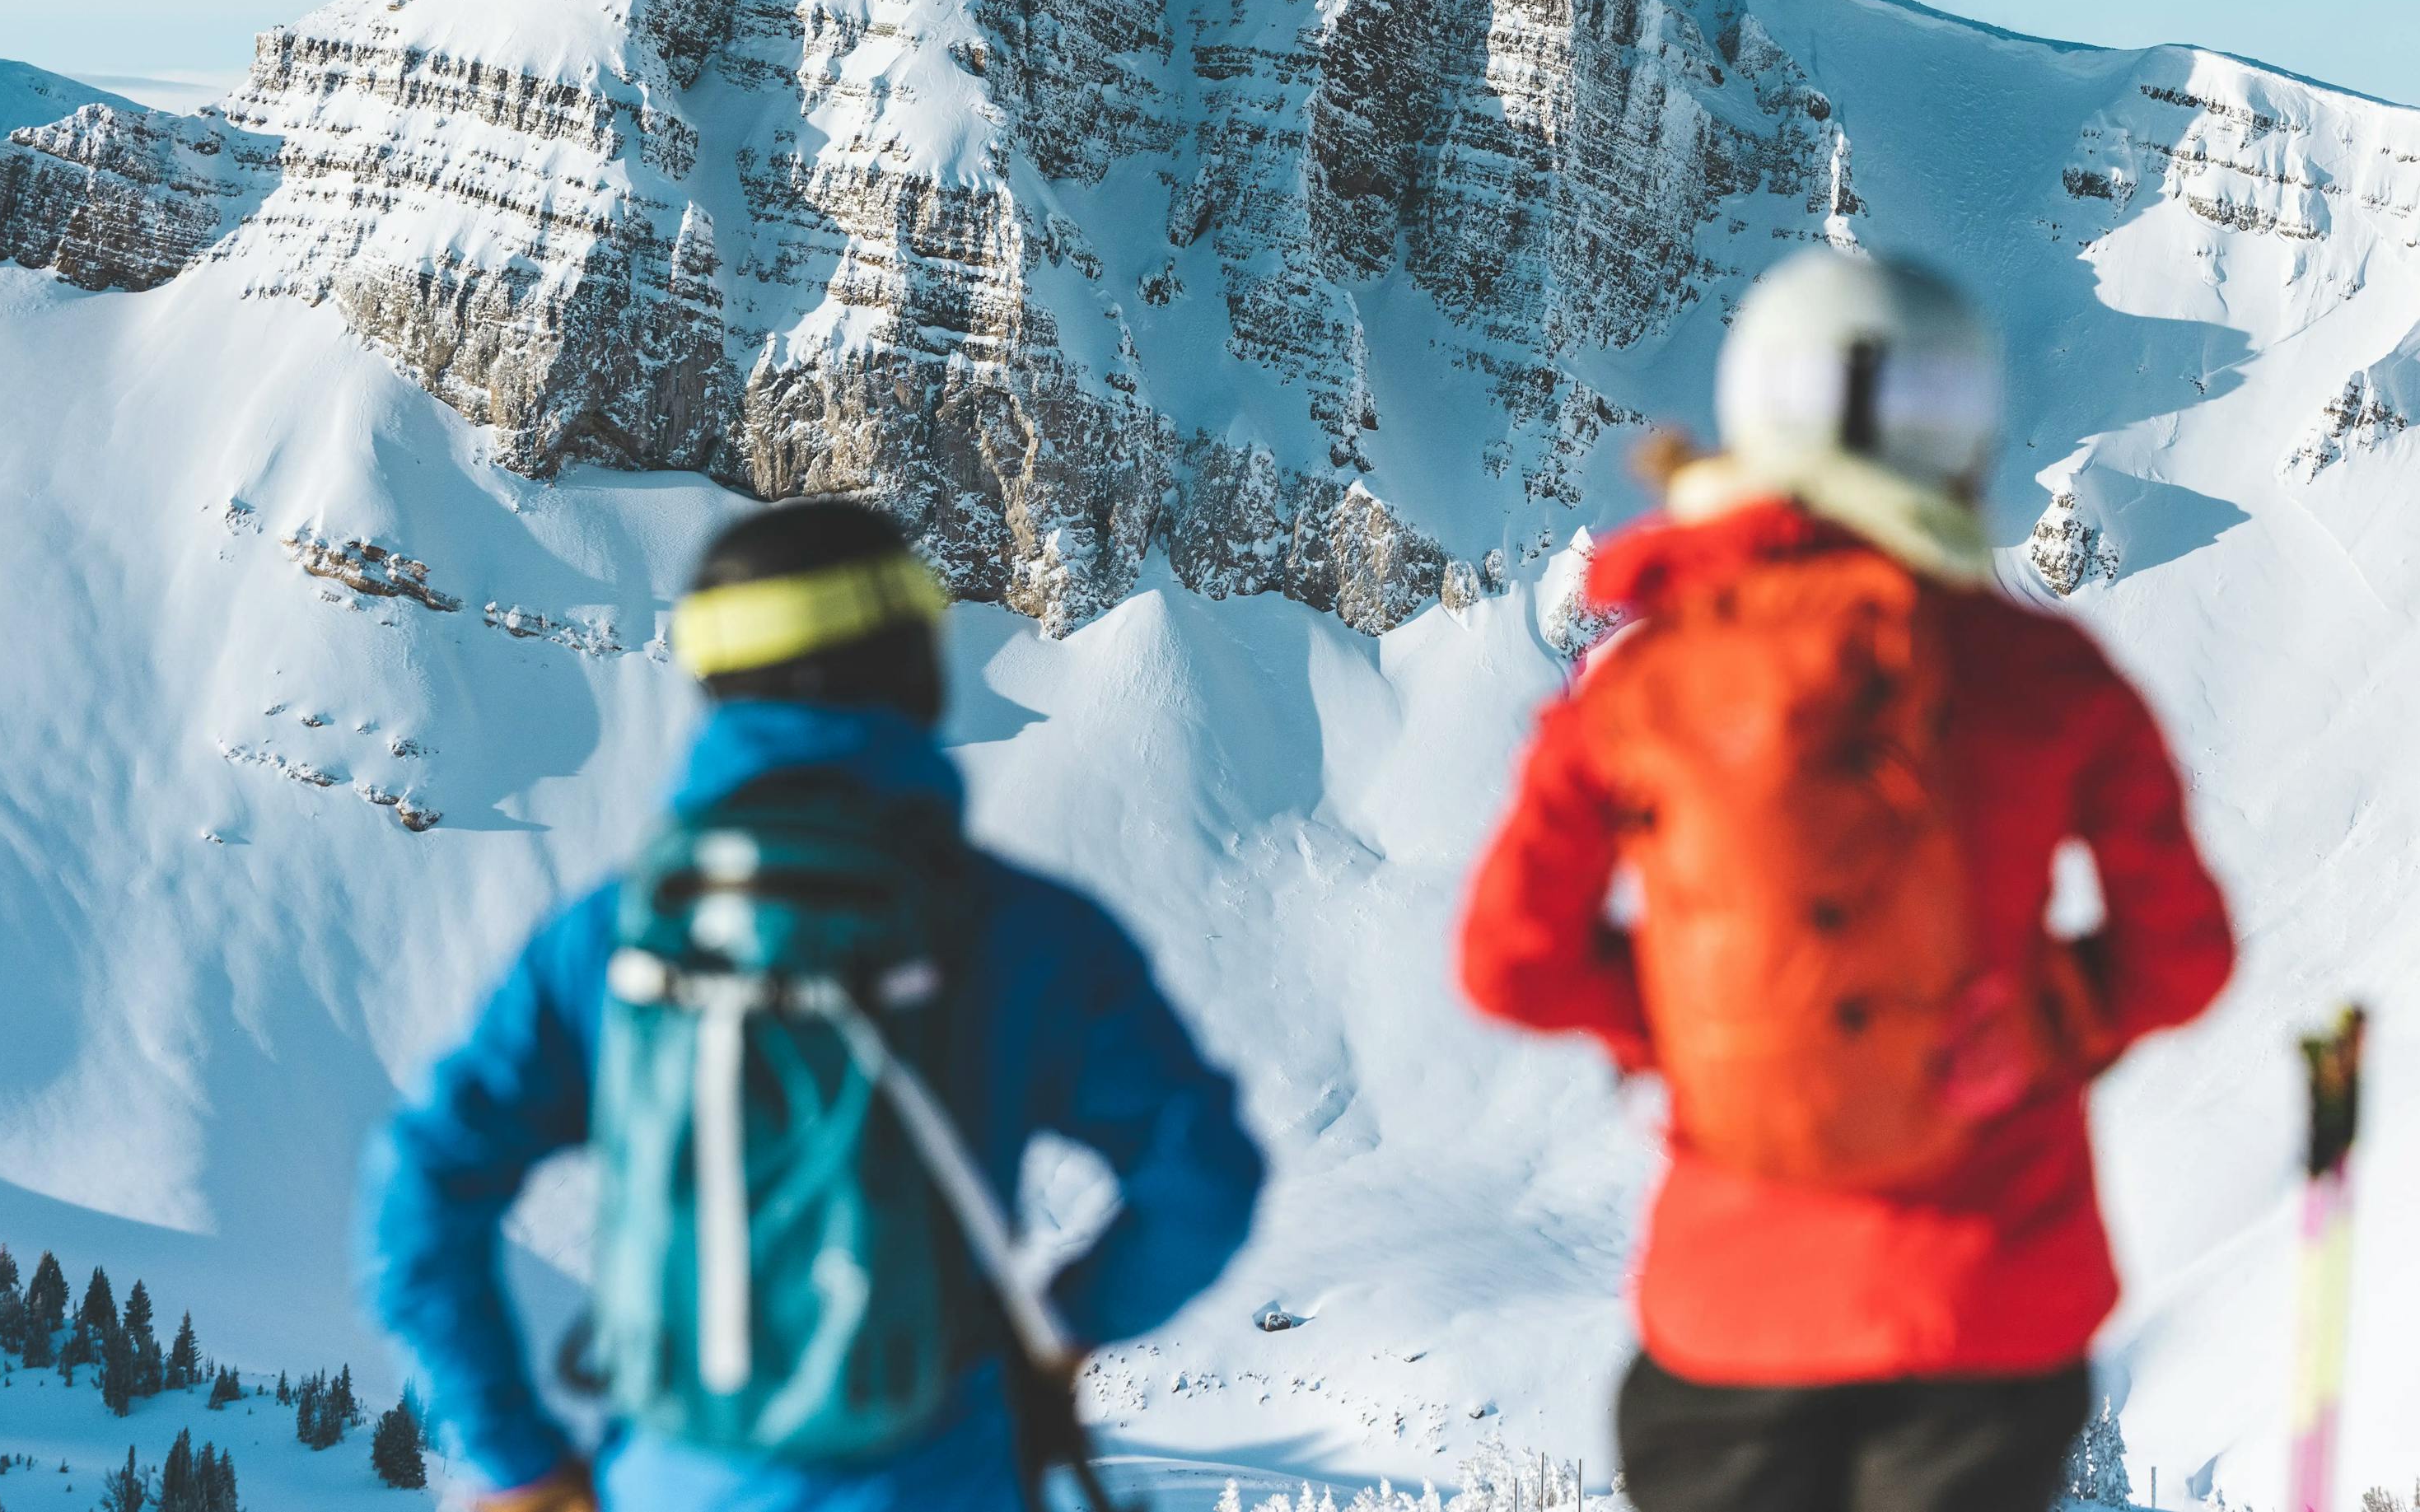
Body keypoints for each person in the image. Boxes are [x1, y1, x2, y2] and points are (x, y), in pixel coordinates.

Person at [1460, 249, 2235, 1512]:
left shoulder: (1645, 685)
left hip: (1729, 1316)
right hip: (1982, 1318)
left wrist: (1690, 1026)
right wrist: (2045, 1019)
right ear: (1964, 435)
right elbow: (2183, 954)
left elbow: (1512, 958)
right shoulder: (2047, 678)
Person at [359, 498, 1265, 1512]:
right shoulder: (1025, 934)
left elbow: (421, 1196)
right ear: (915, 669)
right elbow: (1207, 1174)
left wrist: (520, 1459)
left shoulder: (609, 938)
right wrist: (1062, 1325)